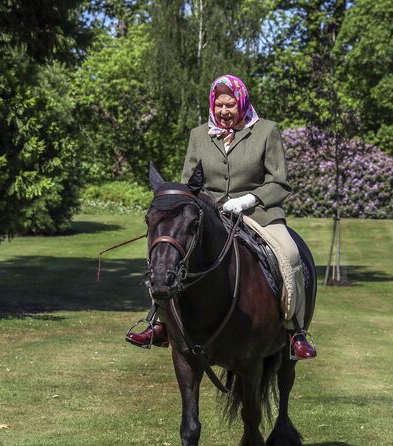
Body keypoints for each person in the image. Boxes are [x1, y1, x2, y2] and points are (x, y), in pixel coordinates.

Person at [127, 74, 316, 360]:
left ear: (241, 102)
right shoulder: (198, 135)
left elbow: (279, 182)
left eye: (230, 105)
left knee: (289, 254)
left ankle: (295, 331)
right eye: (219, 105)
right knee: (167, 255)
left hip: (259, 213)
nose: (224, 111)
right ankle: (159, 322)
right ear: (212, 105)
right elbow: (189, 184)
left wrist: (248, 200)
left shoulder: (266, 131)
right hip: (210, 215)